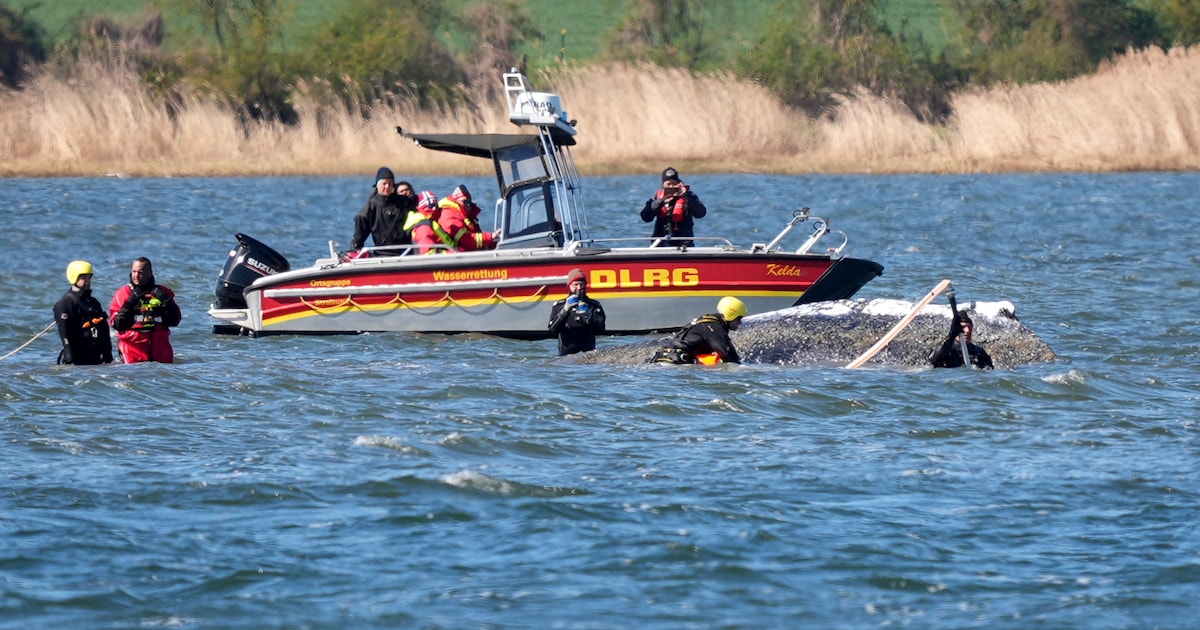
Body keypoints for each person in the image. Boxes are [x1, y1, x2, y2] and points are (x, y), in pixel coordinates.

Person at [109, 257, 182, 363]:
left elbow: (175, 321)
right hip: (132, 351)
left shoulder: (163, 292)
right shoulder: (123, 293)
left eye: (140, 272)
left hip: (161, 351)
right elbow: (117, 324)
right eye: (134, 272)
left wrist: (166, 301)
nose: (136, 276)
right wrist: (129, 303)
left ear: (149, 273)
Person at [649, 296, 746, 365]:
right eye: (739, 319)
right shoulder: (713, 327)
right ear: (731, 315)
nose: (740, 323)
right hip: (674, 364)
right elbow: (729, 356)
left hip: (668, 361)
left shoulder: (707, 322)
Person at [53, 260, 114, 365]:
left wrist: (108, 356)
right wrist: (69, 359)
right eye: (84, 277)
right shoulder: (66, 303)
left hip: (95, 358)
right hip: (77, 359)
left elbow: (104, 330)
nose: (87, 281)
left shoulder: (93, 303)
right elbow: (65, 333)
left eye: (89, 277)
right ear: (74, 277)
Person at [349, 167, 416, 252]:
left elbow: (420, 201)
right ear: (377, 185)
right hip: (383, 254)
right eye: (384, 183)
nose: (387, 186)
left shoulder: (403, 201)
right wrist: (355, 248)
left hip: (406, 252)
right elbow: (359, 237)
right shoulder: (370, 207)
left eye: (390, 183)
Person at [639, 166, 707, 246]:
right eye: (668, 184)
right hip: (661, 244)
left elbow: (701, 214)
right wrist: (660, 201)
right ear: (663, 185)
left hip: (684, 245)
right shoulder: (656, 198)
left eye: (674, 184)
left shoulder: (689, 197)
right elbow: (645, 217)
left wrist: (685, 195)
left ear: (678, 184)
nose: (671, 187)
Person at [547, 268, 606, 355]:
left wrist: (588, 317)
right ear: (569, 285)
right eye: (576, 285)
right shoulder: (559, 305)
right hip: (566, 357)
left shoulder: (594, 305)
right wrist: (565, 311)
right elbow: (553, 330)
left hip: (588, 355)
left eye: (581, 284)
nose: (579, 288)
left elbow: (601, 330)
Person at [437, 184, 500, 252]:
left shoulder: (463, 215)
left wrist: (493, 241)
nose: (468, 206)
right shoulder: (449, 216)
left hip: (470, 253)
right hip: (459, 256)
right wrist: (491, 236)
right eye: (465, 202)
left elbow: (475, 237)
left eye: (469, 203)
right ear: (456, 201)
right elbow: (466, 239)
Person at [929, 311, 994, 369]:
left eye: (969, 327)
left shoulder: (978, 352)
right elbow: (934, 360)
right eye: (963, 327)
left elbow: (990, 372)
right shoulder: (946, 350)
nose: (967, 331)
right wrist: (952, 335)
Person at [404, 190, 456, 254]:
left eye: (435, 206)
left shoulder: (431, 222)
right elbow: (428, 252)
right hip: (439, 261)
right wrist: (451, 254)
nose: (434, 209)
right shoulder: (423, 227)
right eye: (431, 206)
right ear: (422, 207)